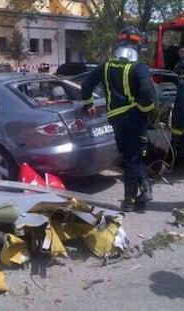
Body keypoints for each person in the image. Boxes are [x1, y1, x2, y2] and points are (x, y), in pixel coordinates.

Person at [81, 25, 156, 212]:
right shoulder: (139, 68)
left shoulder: (105, 66)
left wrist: (88, 104)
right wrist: (146, 111)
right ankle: (130, 201)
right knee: (133, 158)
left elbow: (86, 84)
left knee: (131, 157)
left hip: (115, 119)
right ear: (138, 46)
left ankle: (145, 188)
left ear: (119, 43)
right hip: (135, 120)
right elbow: (147, 94)